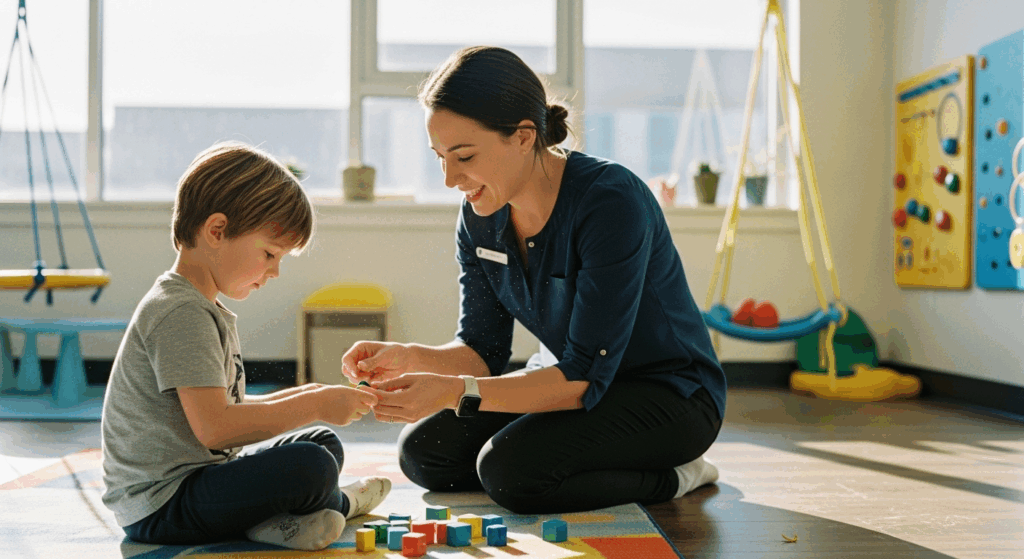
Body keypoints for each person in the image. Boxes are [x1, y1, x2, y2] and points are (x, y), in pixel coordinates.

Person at [342, 46, 726, 514]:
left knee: (511, 472)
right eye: (440, 157)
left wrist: (453, 391)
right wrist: (408, 357)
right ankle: (577, 463)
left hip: (668, 396)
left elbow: (583, 376)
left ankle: (678, 475)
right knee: (426, 453)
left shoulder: (611, 202)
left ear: (524, 137)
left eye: (464, 156)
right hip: (566, 381)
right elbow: (482, 351)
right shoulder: (480, 216)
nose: (450, 178)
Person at [101, 142, 390, 551]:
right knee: (311, 466)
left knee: (321, 443)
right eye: (270, 253)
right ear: (217, 231)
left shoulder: (198, 305)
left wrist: (310, 395)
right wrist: (315, 403)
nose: (275, 271)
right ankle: (342, 503)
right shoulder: (181, 312)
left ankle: (270, 524)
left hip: (196, 485)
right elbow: (217, 429)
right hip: (163, 506)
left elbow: (223, 409)